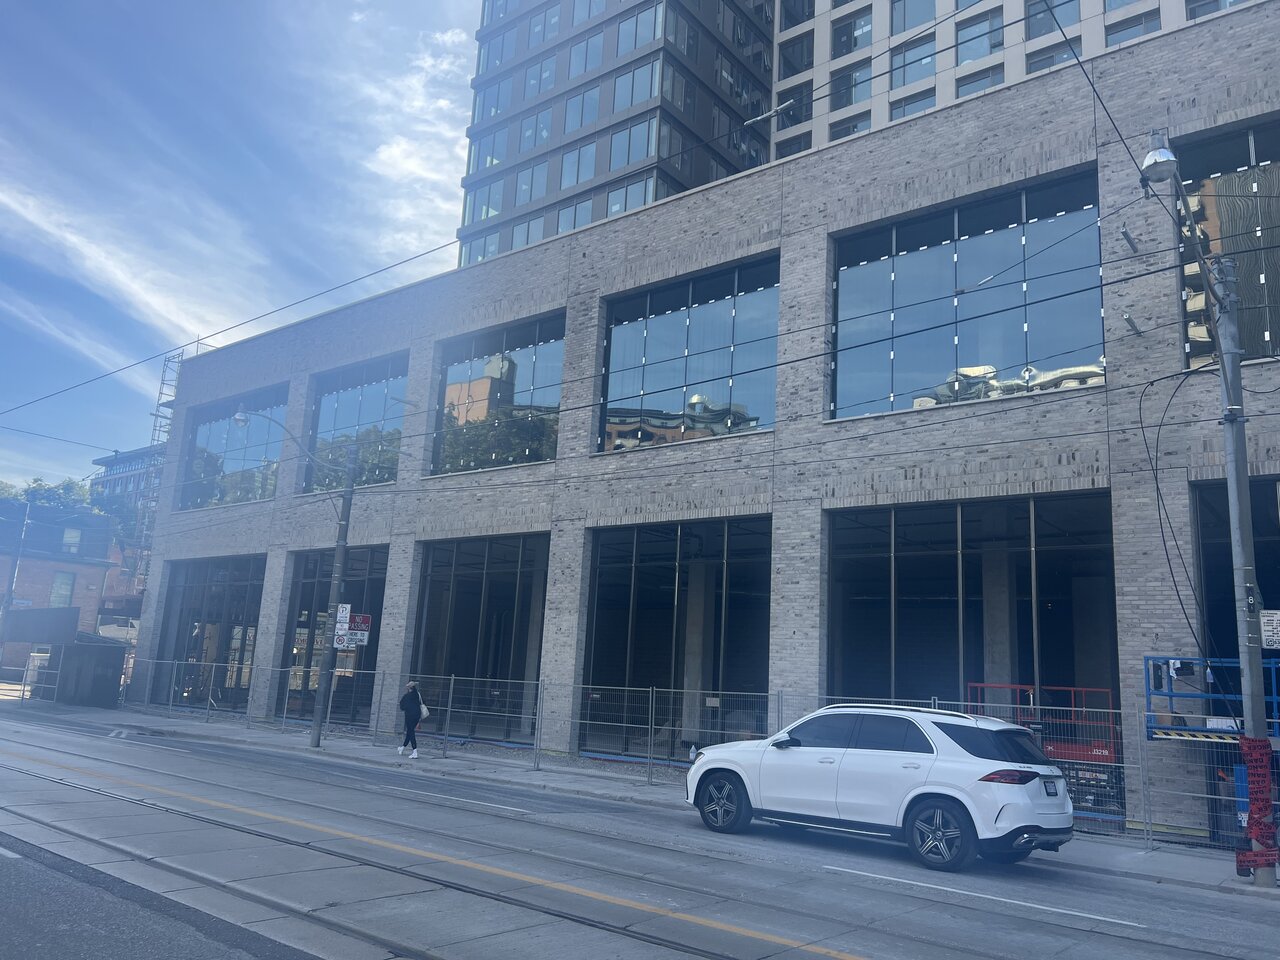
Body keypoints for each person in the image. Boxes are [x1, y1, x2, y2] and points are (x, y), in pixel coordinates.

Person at [398, 680, 424, 759]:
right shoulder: (417, 694)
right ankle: (402, 747)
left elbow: (402, 706)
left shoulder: (406, 696)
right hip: (417, 715)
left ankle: (415, 751)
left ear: (409, 688)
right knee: (409, 732)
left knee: (411, 732)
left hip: (409, 716)